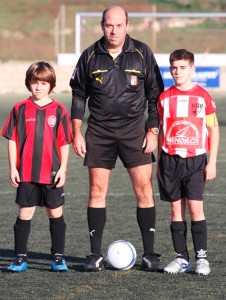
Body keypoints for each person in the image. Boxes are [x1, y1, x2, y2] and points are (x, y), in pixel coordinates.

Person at [69, 5, 164, 272]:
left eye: (119, 25)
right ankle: (94, 255)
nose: (114, 30)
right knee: (97, 191)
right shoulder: (89, 55)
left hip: (135, 131)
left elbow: (155, 95)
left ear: (127, 25)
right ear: (102, 26)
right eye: (109, 25)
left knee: (144, 190)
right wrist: (77, 132)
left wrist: (153, 130)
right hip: (99, 132)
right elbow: (78, 96)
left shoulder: (142, 52)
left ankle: (149, 255)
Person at [1, 61, 72, 272]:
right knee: (25, 213)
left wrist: (63, 169)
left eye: (43, 83)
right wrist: (13, 168)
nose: (39, 87)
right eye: (34, 82)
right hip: (27, 173)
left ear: (51, 84)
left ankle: (58, 257)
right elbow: (12, 139)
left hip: (52, 172)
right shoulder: (19, 109)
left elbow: (64, 142)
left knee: (55, 213)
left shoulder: (59, 110)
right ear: (28, 84)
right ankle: (20, 258)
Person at [157, 49, 219, 275]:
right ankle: (181, 258)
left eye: (183, 67)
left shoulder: (203, 96)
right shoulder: (164, 98)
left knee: (195, 207)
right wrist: (159, 164)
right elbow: (162, 132)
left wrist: (211, 163)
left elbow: (213, 129)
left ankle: (201, 258)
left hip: (195, 161)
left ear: (192, 69)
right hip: (169, 161)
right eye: (174, 67)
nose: (177, 72)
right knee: (175, 209)